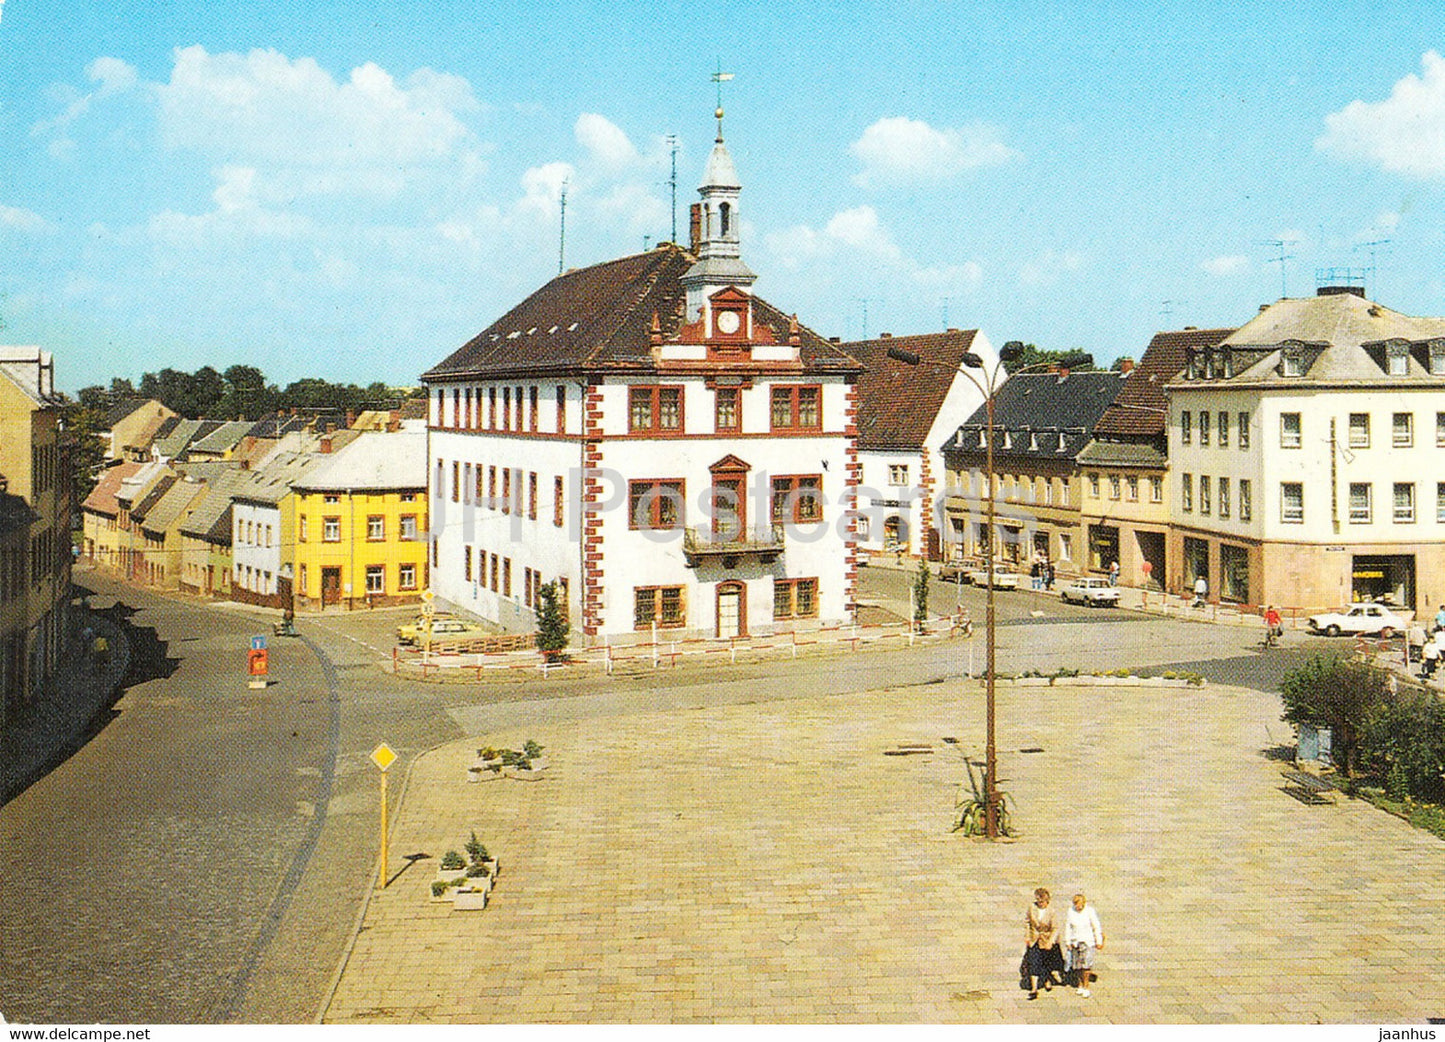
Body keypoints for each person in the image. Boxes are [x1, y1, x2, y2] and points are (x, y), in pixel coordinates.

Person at [1024, 888, 1064, 999]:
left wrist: (1051, 941)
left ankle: (1047, 979)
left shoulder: (1051, 912)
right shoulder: (1032, 907)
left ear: (1047, 901)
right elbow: (1027, 922)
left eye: (1042, 901)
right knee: (1033, 961)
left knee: (1046, 962)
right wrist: (1027, 936)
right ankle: (1034, 988)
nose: (1040, 903)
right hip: (1034, 939)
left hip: (1046, 939)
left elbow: (1055, 928)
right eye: (1038, 901)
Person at [1063, 893, 1105, 997]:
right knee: (1077, 965)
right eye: (1077, 905)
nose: (1079, 907)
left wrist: (1098, 941)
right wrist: (1068, 941)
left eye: (1081, 905)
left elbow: (1096, 927)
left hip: (1088, 942)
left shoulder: (1090, 912)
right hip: (1075, 942)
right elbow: (1068, 927)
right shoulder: (1070, 911)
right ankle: (1080, 984)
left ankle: (1086, 986)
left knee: (1086, 965)